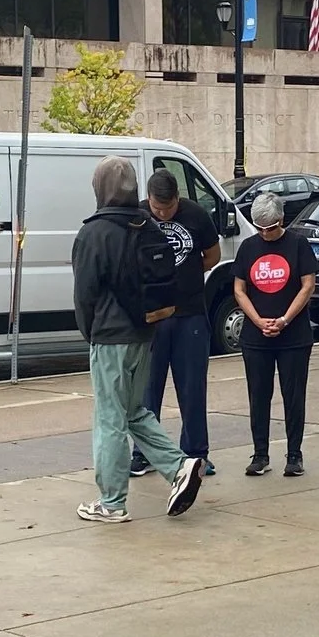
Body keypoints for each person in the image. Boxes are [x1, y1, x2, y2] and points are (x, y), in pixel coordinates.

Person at [73, 156, 203, 524]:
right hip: (146, 330)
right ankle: (180, 465)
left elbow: (84, 294)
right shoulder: (147, 226)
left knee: (110, 418)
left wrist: (91, 333)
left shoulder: (94, 233)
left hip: (110, 336)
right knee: (134, 411)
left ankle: (112, 501)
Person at [129, 169, 221, 479]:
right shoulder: (137, 215)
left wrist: (188, 275)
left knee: (192, 387)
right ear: (149, 199)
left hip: (190, 313)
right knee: (146, 390)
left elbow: (212, 255)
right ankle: (144, 453)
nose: (162, 213)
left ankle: (196, 453)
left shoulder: (196, 215)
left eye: (168, 209)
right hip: (152, 318)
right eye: (157, 208)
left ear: (177, 199)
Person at [234, 187, 316, 477]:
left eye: (271, 228)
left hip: (293, 336)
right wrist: (257, 320)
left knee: (293, 395)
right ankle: (260, 453)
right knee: (258, 395)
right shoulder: (248, 248)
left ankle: (294, 454)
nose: (266, 234)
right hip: (256, 337)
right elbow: (240, 289)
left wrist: (284, 319)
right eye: (261, 229)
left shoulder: (298, 245)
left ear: (282, 220)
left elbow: (308, 285)